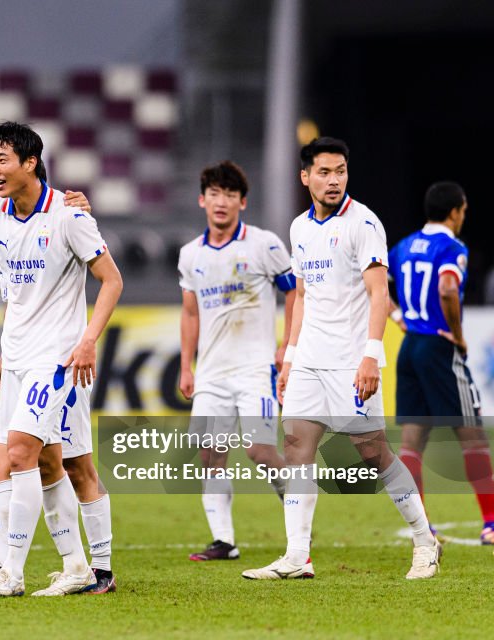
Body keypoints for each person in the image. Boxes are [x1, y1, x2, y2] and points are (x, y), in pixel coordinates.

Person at [0, 122, 123, 597]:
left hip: (58, 360)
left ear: (30, 163)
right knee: (18, 461)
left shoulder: (68, 215)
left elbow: (112, 280)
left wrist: (88, 340)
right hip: (18, 356)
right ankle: (72, 566)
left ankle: (14, 573)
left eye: (3, 160)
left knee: (32, 454)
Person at [243, 137, 441, 581]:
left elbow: (378, 294)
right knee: (297, 448)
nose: (334, 181)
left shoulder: (363, 223)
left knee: (373, 452)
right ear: (305, 177)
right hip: (310, 359)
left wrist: (371, 356)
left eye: (341, 172)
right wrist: (290, 357)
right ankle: (297, 556)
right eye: (325, 172)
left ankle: (425, 541)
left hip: (351, 362)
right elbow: (303, 298)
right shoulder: (298, 228)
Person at [177, 161, 295, 561]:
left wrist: (287, 347)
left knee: (260, 451)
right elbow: (190, 313)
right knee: (210, 453)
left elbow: (294, 293)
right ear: (202, 200)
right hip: (211, 372)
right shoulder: (189, 254)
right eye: (214, 194)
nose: (221, 202)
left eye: (230, 195)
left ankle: (298, 518)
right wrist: (186, 366)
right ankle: (224, 541)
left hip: (255, 369)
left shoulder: (264, 244)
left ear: (242, 202)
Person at [388, 181, 494, 545]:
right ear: (455, 211)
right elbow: (446, 288)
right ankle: (492, 524)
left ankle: (422, 527)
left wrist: (398, 318)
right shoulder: (452, 247)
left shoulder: (403, 246)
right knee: (473, 436)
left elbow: (376, 287)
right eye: (464, 211)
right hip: (438, 348)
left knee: (412, 441)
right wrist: (457, 334)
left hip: (408, 346)